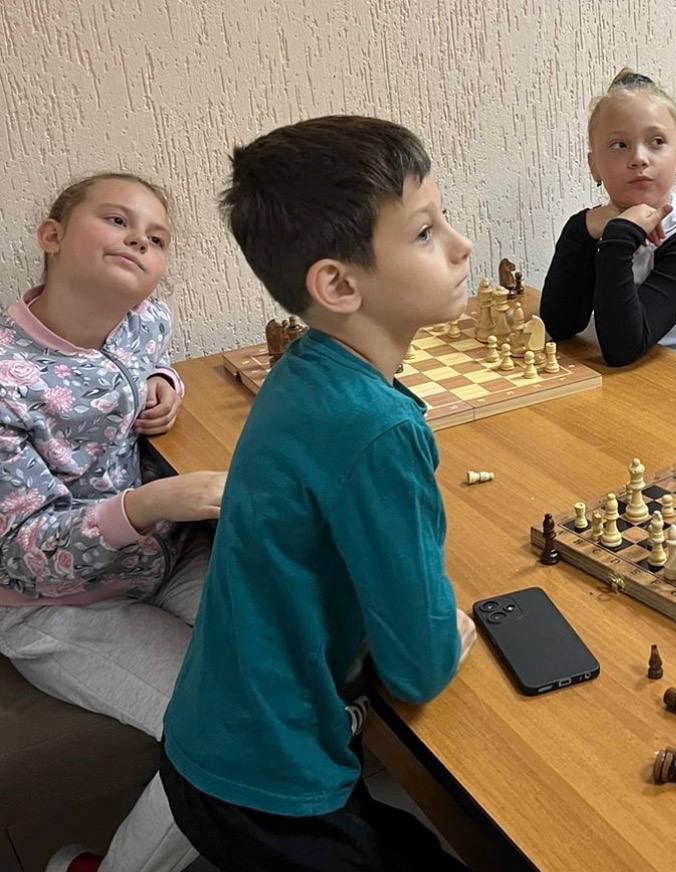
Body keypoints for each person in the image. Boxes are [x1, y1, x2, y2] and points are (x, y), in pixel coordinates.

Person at [159, 116, 476, 870]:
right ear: (337, 284)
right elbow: (420, 667)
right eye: (425, 232)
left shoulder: (304, 371)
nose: (461, 245)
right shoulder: (376, 430)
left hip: (211, 741)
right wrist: (446, 638)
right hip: (274, 784)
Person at [0, 172, 225, 872]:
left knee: (295, 644)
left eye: (156, 237)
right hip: (55, 605)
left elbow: (151, 358)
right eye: (118, 221)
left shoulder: (142, 320)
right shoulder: (7, 380)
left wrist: (165, 384)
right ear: (52, 236)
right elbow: (20, 552)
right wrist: (147, 506)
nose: (138, 240)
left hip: (160, 561)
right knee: (225, 732)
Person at [540, 68, 676, 376]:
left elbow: (622, 349)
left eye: (657, 141)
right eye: (619, 145)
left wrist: (619, 237)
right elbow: (561, 324)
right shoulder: (601, 224)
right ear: (593, 164)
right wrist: (579, 230)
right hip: (641, 380)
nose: (639, 158)